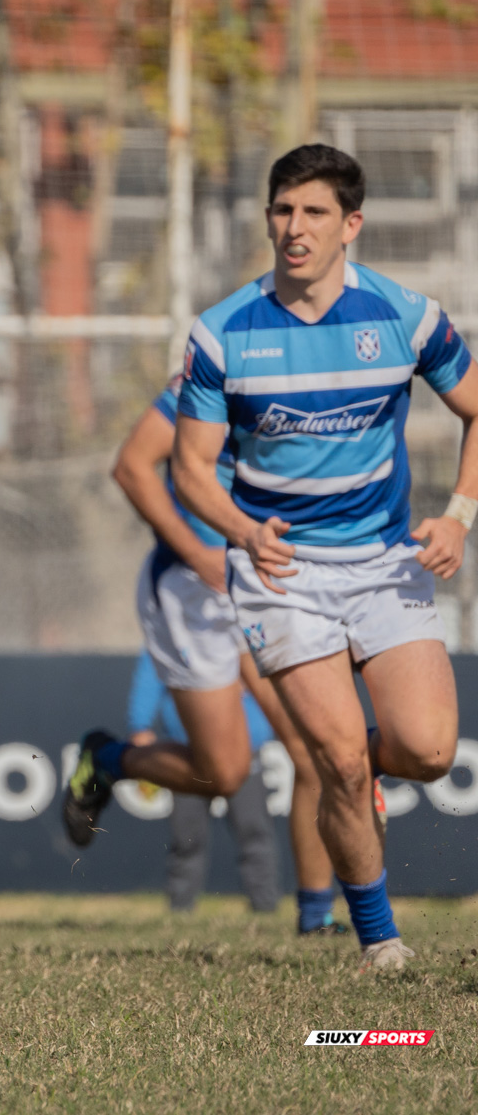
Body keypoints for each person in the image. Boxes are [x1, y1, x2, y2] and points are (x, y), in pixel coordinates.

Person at [85, 144, 475, 972]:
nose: (294, 228)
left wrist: (460, 518)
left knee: (429, 751)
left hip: (384, 563)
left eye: (314, 213)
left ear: (352, 226)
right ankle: (378, 941)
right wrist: (240, 532)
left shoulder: (403, 317)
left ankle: (347, 766)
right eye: (282, 211)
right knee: (330, 758)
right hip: (281, 572)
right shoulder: (223, 333)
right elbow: (184, 467)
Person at [67, 369, 344, 937]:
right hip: (196, 593)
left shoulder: (330, 368)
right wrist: (197, 553)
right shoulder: (221, 363)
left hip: (265, 582)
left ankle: (316, 917)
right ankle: (108, 760)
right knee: (224, 773)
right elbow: (130, 466)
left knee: (315, 751)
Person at [124, 653, 280, 914]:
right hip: (187, 750)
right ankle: (180, 908)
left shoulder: (246, 623)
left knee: (253, 832)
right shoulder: (173, 621)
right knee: (187, 837)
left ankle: (265, 907)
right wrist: (140, 725)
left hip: (243, 747)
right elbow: (150, 672)